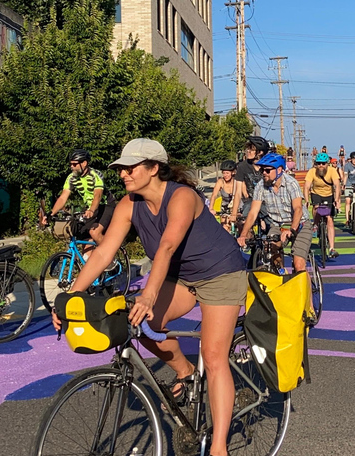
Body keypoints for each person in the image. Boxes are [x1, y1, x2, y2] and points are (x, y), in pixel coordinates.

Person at [51, 138, 246, 456]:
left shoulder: (182, 196)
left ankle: (219, 447)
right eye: (122, 168)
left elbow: (167, 247)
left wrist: (148, 295)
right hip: (182, 278)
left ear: (154, 168)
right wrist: (70, 296)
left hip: (221, 274)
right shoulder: (129, 205)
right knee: (141, 324)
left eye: (131, 167)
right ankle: (185, 371)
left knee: (213, 356)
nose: (123, 173)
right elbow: (102, 254)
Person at [238, 153, 313, 273]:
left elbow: (298, 208)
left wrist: (292, 230)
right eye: (262, 170)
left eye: (267, 170)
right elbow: (253, 212)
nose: (264, 173)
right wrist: (243, 234)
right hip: (278, 225)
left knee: (298, 265)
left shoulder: (291, 183)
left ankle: (305, 288)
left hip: (299, 224)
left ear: (279, 170)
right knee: (270, 249)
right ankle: (281, 273)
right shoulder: (261, 186)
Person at [44, 149, 116, 245]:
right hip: (89, 207)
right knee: (82, 234)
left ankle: (110, 257)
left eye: (75, 164)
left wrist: (91, 210)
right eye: (70, 164)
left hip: (105, 205)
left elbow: (97, 195)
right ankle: (88, 259)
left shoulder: (95, 175)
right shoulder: (71, 178)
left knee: (94, 232)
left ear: (84, 163)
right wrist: (51, 214)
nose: (72, 167)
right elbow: (63, 198)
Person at [304, 152, 341, 258]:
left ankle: (332, 248)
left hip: (329, 195)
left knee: (329, 218)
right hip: (316, 194)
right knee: (316, 208)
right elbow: (306, 187)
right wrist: (306, 200)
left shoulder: (332, 171)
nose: (321, 165)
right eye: (318, 163)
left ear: (327, 164)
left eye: (323, 163)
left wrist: (337, 200)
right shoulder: (312, 172)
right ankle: (315, 224)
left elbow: (337, 186)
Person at [230, 136, 269, 235]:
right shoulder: (242, 166)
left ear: (260, 152)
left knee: (272, 227)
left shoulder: (268, 166)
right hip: (251, 201)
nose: (248, 151)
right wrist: (234, 213)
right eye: (247, 149)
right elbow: (238, 192)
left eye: (251, 149)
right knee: (243, 223)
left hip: (267, 201)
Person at [208, 160, 238, 232]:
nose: (225, 175)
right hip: (225, 207)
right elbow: (214, 195)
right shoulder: (221, 182)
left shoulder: (237, 182)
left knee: (241, 226)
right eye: (224, 173)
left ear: (233, 172)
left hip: (237, 206)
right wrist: (211, 208)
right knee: (225, 227)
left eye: (227, 173)